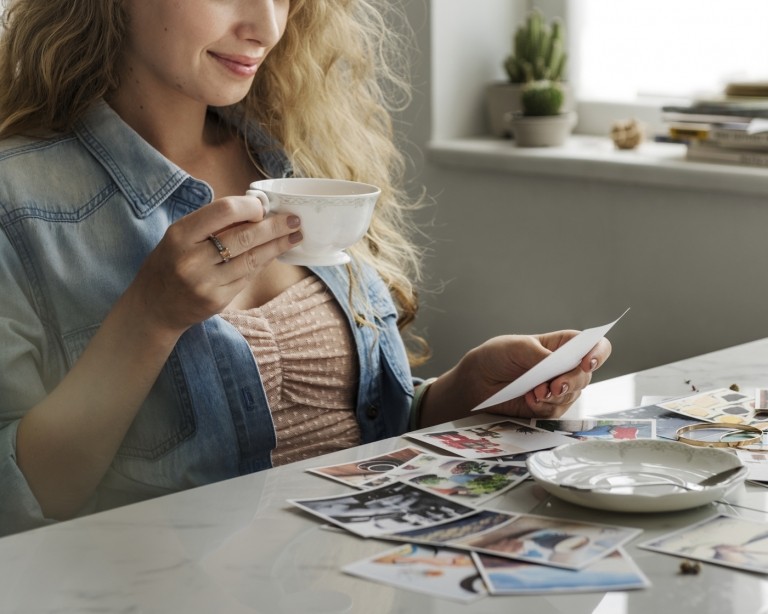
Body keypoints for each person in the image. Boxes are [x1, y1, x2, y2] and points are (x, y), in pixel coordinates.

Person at [0, 0, 611, 537]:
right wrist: (148, 320)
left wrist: (460, 397)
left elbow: (348, 433)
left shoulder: (293, 155)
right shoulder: (16, 200)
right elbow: (23, 501)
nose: (266, 25)